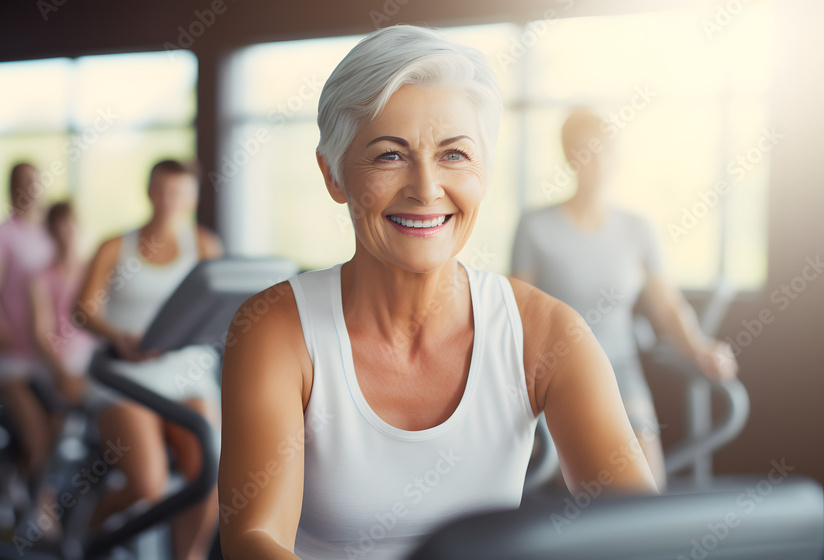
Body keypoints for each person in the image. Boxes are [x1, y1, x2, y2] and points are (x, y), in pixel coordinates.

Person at [217, 26, 659, 560]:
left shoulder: (549, 334)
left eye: (454, 155)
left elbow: (640, 535)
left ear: (484, 171)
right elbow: (252, 539)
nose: (426, 189)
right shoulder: (275, 329)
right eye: (389, 156)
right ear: (334, 174)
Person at [510, 108, 739, 490]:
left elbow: (667, 306)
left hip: (621, 369)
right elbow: (516, 310)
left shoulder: (637, 228)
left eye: (605, 149)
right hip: (551, 372)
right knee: (560, 486)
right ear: (570, 157)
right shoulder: (535, 226)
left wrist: (699, 348)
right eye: (586, 150)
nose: (597, 160)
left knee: (645, 490)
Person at [78, 160, 223, 560]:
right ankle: (89, 535)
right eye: (161, 191)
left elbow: (217, 310)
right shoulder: (115, 246)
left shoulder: (205, 246)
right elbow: (83, 310)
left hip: (185, 374)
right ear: (149, 192)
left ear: (192, 198)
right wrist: (119, 338)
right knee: (149, 485)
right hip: (126, 374)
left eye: (178, 192)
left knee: (208, 477)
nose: (169, 201)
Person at [0, 163, 56, 484]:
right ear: (10, 188)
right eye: (23, 183)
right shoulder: (0, 235)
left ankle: (31, 485)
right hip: (12, 355)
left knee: (62, 430)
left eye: (35, 182)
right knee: (36, 433)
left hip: (47, 352)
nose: (30, 189)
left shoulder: (50, 234)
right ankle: (28, 497)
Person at [30, 201, 94, 406]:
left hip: (93, 358)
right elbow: (42, 332)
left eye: (70, 224)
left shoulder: (93, 271)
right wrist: (61, 372)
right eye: (60, 226)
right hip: (59, 362)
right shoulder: (41, 279)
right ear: (51, 231)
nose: (66, 232)